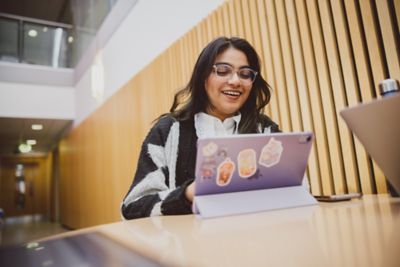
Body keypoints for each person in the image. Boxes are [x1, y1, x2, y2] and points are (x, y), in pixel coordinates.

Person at [121, 36, 280, 220]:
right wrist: (187, 194)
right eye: (223, 70)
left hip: (254, 243)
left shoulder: (266, 131)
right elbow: (132, 207)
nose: (236, 81)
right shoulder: (168, 131)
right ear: (203, 76)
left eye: (245, 74)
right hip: (189, 246)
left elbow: (298, 190)